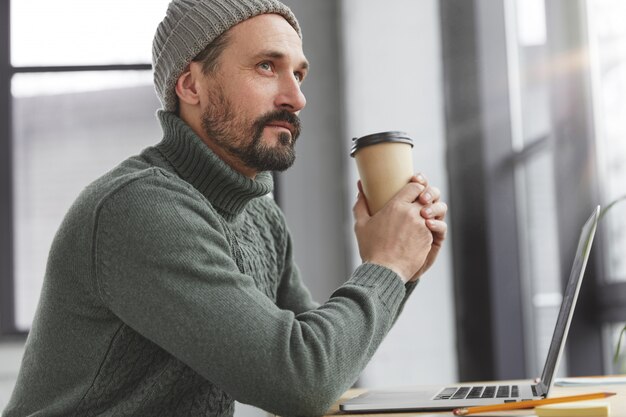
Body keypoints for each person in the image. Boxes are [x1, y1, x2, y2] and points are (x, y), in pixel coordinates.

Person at [3, 0, 448, 416]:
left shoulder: (258, 214)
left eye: (299, 74)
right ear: (191, 85)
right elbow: (300, 381)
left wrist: (403, 267)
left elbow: (323, 361)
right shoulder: (141, 208)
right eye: (266, 67)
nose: (295, 98)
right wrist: (386, 265)